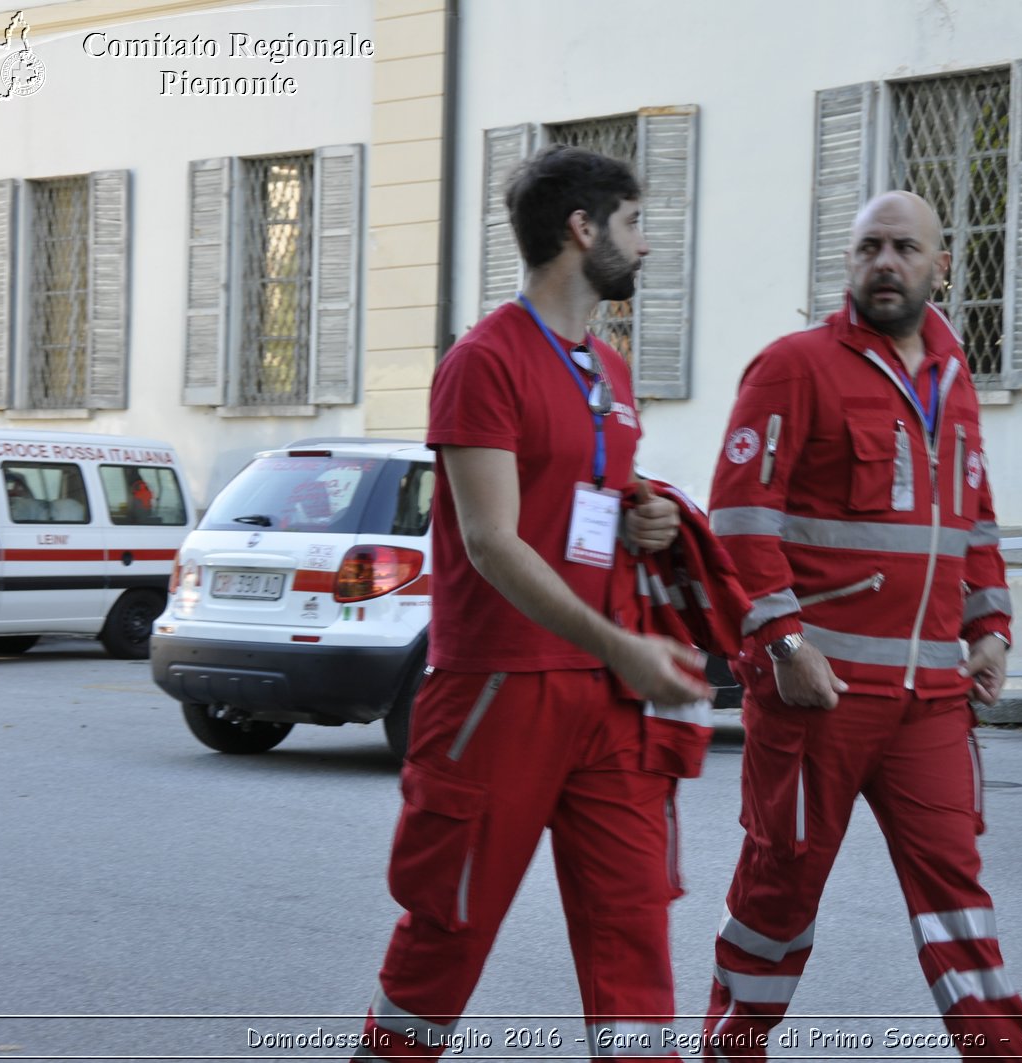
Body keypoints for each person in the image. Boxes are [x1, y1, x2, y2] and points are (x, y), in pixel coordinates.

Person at [354, 145, 713, 1063]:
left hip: (607, 701)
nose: (646, 246)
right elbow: (491, 541)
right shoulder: (484, 361)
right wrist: (619, 644)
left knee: (634, 940)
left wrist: (649, 526)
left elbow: (582, 508)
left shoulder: (613, 371)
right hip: (497, 692)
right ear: (583, 230)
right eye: (634, 224)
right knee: (448, 932)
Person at [701, 191, 1022, 1059]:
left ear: (943, 264)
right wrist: (785, 644)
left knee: (958, 897)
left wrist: (991, 623)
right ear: (848, 261)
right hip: (819, 696)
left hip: (930, 696)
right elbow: (740, 520)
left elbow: (974, 517)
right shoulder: (793, 367)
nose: (884, 262)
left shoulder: (953, 375)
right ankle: (731, 1044)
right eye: (868, 247)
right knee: (780, 892)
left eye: (903, 248)